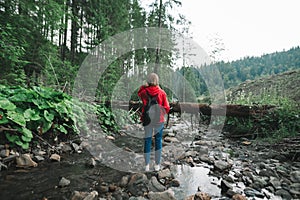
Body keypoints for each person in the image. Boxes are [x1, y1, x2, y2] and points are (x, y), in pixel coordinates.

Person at [138, 73, 170, 171]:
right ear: (157, 81)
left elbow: (139, 93)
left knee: (147, 141)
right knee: (158, 141)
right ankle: (157, 165)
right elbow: (167, 108)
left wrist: (144, 86)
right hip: (158, 120)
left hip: (147, 119)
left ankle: (146, 165)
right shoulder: (162, 93)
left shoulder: (144, 92)